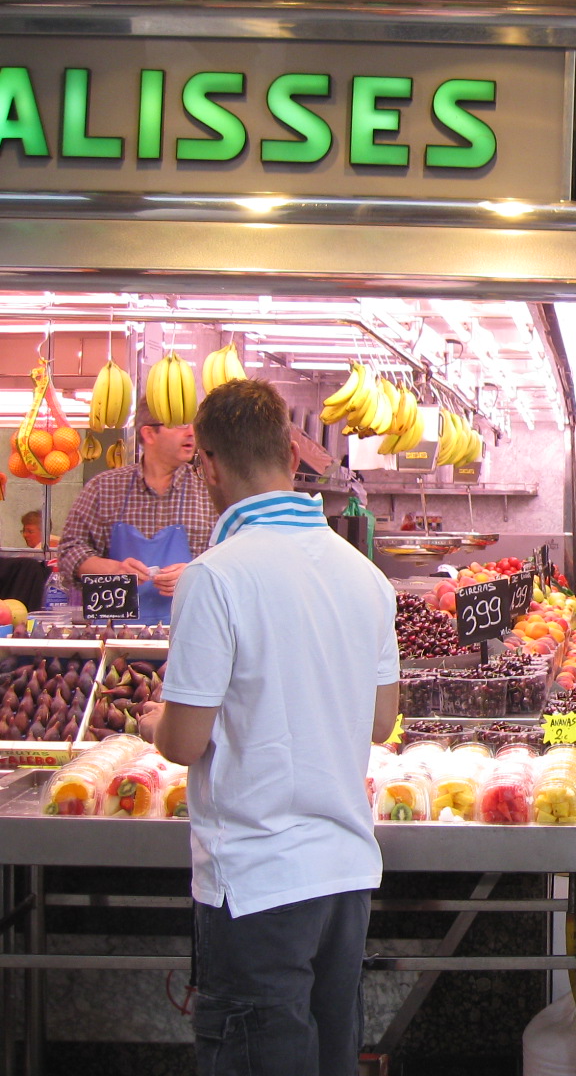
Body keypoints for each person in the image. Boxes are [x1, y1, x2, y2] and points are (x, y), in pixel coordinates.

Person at [136, 380, 398, 1076]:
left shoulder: (215, 577)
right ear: (290, 452)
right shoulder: (365, 576)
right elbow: (382, 720)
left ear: (210, 466)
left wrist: (153, 720)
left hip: (255, 887)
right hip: (344, 880)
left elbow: (185, 742)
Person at [58, 403, 219, 624]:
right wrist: (112, 568)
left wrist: (195, 574)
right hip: (114, 634)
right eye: (180, 424)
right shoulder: (104, 488)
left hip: (191, 629)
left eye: (193, 424)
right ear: (149, 433)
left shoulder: (210, 491)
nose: (191, 431)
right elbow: (69, 550)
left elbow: (234, 561)